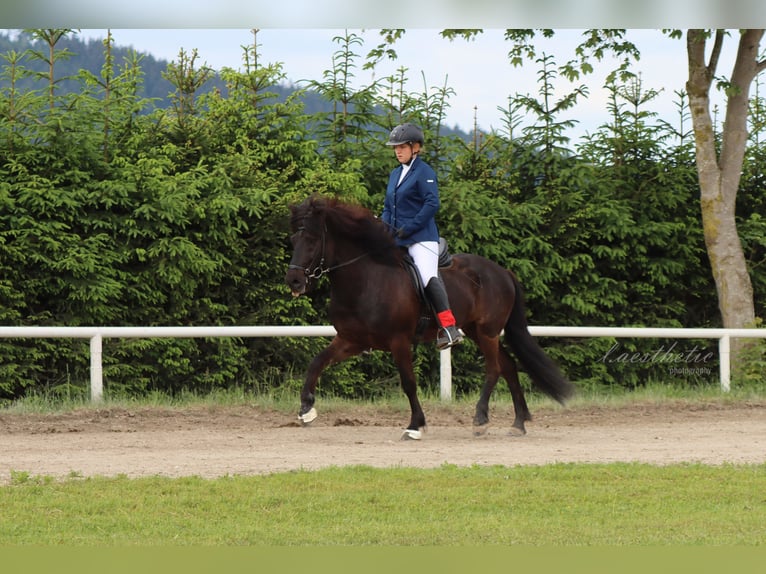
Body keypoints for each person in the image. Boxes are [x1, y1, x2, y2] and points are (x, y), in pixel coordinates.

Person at [380, 122, 463, 350]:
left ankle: (449, 327)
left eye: (402, 147)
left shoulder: (424, 172)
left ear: (415, 147)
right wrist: (384, 229)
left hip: (421, 238)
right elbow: (388, 207)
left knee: (427, 277)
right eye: (395, 147)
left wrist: (409, 228)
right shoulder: (395, 173)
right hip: (397, 237)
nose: (397, 151)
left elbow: (431, 204)